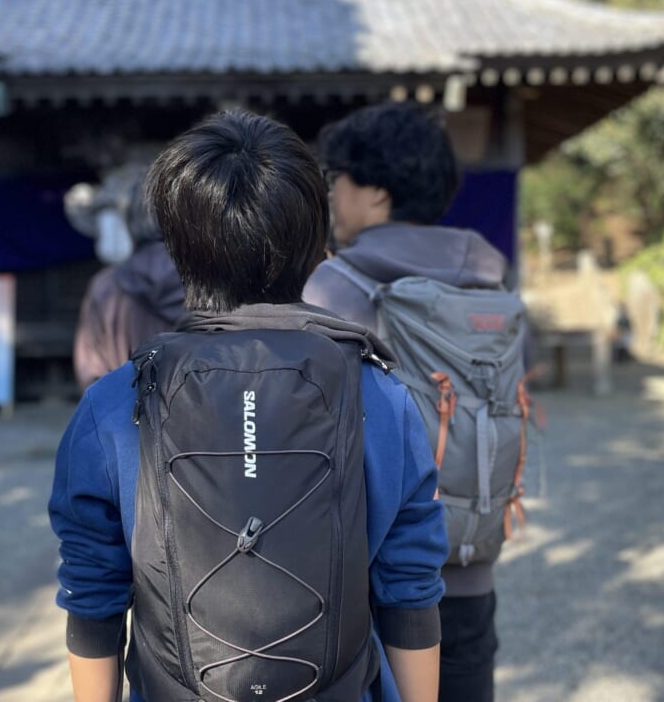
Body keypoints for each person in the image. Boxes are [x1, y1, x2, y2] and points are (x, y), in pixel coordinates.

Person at [49, 110, 447, 702]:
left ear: (179, 248)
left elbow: (93, 600)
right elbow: (409, 589)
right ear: (315, 246)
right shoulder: (380, 397)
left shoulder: (113, 405)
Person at [304, 101, 509, 702]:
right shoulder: (491, 278)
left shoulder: (335, 286)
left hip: (373, 578)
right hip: (472, 560)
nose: (331, 196)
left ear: (374, 191)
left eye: (334, 179)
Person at [72, 177, 184, 391]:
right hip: (187, 410)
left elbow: (90, 366)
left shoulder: (105, 285)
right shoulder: (204, 281)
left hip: (124, 413)